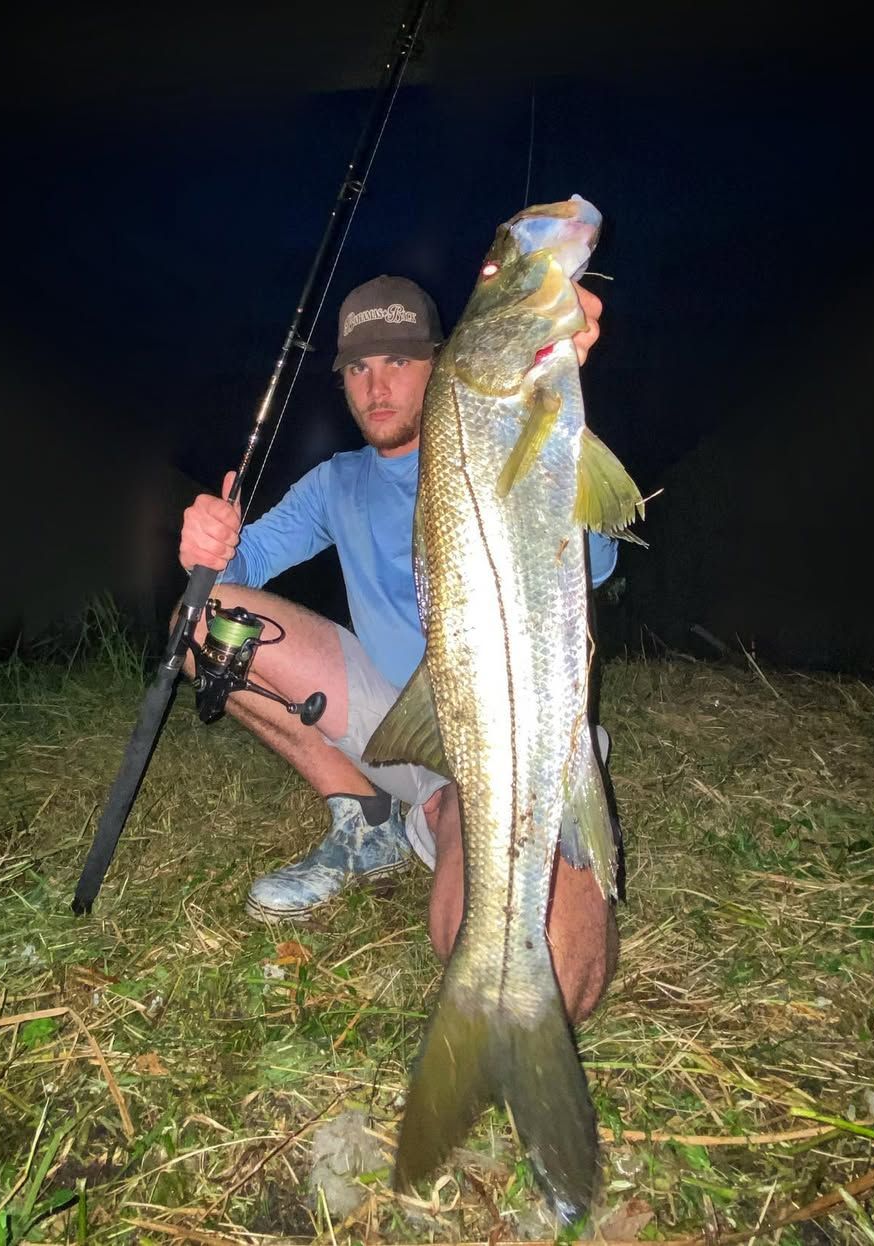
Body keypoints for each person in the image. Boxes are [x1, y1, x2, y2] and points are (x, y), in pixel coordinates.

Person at [178, 274, 619, 1022]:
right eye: (359, 367)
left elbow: (595, 562)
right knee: (203, 620)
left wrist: (555, 416)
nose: (376, 386)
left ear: (441, 365)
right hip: (398, 722)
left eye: (399, 361)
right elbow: (239, 567)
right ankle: (367, 817)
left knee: (544, 981)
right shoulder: (337, 483)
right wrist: (208, 545)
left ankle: (455, 821)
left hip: (512, 730)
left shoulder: (503, 447)